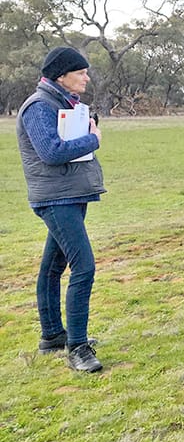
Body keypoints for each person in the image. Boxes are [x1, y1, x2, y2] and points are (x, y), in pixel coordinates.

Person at [15, 47, 106, 372]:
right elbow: (51, 152)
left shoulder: (64, 104)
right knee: (84, 267)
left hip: (69, 194)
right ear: (61, 75)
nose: (86, 77)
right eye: (81, 72)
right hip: (55, 199)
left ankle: (53, 334)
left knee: (53, 268)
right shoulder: (39, 107)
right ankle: (78, 348)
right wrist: (93, 139)